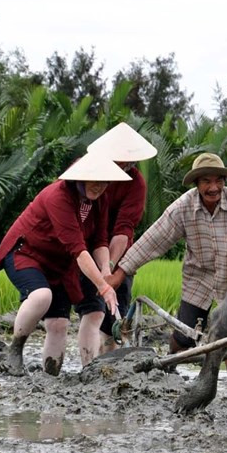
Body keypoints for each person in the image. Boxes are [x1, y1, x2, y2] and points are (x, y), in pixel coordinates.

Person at [105, 153, 227, 383]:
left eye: (218, 181)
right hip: (198, 278)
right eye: (206, 181)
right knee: (184, 337)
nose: (214, 187)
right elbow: (153, 240)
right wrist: (120, 273)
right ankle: (170, 370)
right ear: (196, 184)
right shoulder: (183, 208)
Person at [0, 152, 131, 375]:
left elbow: (99, 240)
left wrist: (106, 270)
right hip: (27, 253)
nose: (101, 186)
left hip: (60, 264)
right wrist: (103, 287)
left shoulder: (100, 200)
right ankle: (14, 351)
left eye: (106, 181)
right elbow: (77, 248)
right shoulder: (58, 196)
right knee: (41, 296)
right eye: (96, 180)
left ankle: (51, 376)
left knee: (59, 324)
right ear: (81, 177)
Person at [74, 123, 157, 364]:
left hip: (119, 256)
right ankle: (87, 366)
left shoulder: (135, 182)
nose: (124, 164)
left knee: (114, 317)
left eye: (128, 160)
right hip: (84, 248)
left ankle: (107, 365)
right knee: (91, 309)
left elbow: (123, 230)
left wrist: (108, 268)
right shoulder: (85, 170)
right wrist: (97, 270)